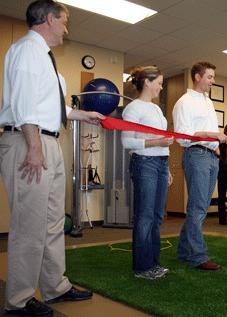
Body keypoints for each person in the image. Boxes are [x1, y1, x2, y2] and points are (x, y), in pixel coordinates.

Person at [0, 1, 105, 316]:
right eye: (64, 21)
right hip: (28, 141)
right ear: (48, 18)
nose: (66, 28)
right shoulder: (26, 51)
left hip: (48, 141)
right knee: (30, 225)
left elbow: (51, 108)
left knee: (52, 223)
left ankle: (55, 287)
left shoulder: (46, 60)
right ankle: (18, 300)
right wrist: (33, 147)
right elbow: (23, 103)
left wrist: (84, 114)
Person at [172, 61, 227, 270]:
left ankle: (184, 251)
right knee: (197, 208)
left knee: (201, 208)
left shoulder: (207, 101)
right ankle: (198, 257)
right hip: (196, 156)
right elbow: (183, 136)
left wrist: (216, 146)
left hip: (211, 157)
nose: (213, 81)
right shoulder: (184, 102)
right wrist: (213, 135)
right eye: (210, 77)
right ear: (197, 77)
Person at [121, 66, 174, 280]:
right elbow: (127, 141)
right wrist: (157, 142)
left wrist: (167, 167)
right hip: (144, 164)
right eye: (159, 83)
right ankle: (142, 268)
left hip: (160, 164)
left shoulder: (157, 109)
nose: (161, 87)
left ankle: (153, 264)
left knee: (157, 217)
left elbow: (162, 143)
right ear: (147, 82)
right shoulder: (133, 108)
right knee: (145, 216)